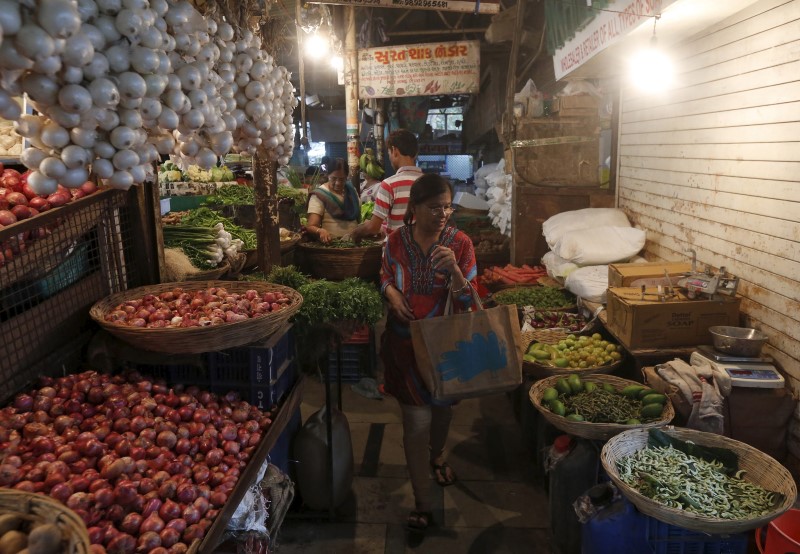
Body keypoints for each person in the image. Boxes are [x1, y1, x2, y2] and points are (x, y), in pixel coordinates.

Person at [379, 173, 478, 533]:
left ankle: (438, 457)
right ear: (415, 208)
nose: (443, 214)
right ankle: (423, 502)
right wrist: (391, 294)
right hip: (404, 346)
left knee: (442, 414)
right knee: (415, 424)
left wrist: (453, 269)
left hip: (446, 348)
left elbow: (469, 299)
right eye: (434, 207)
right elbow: (385, 274)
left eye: (447, 206)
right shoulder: (396, 241)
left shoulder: (460, 244)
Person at [350, 129, 423, 241]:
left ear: (394, 150)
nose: (389, 157)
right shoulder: (429, 182)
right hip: (424, 252)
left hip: (397, 252)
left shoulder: (389, 184)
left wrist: (354, 234)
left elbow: (373, 227)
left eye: (389, 152)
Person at [305, 158, 361, 243]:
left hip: (354, 244)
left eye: (342, 179)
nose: (338, 183)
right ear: (327, 175)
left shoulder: (352, 191)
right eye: (333, 178)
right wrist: (320, 231)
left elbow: (358, 219)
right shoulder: (320, 195)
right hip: (331, 245)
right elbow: (311, 226)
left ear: (347, 177)